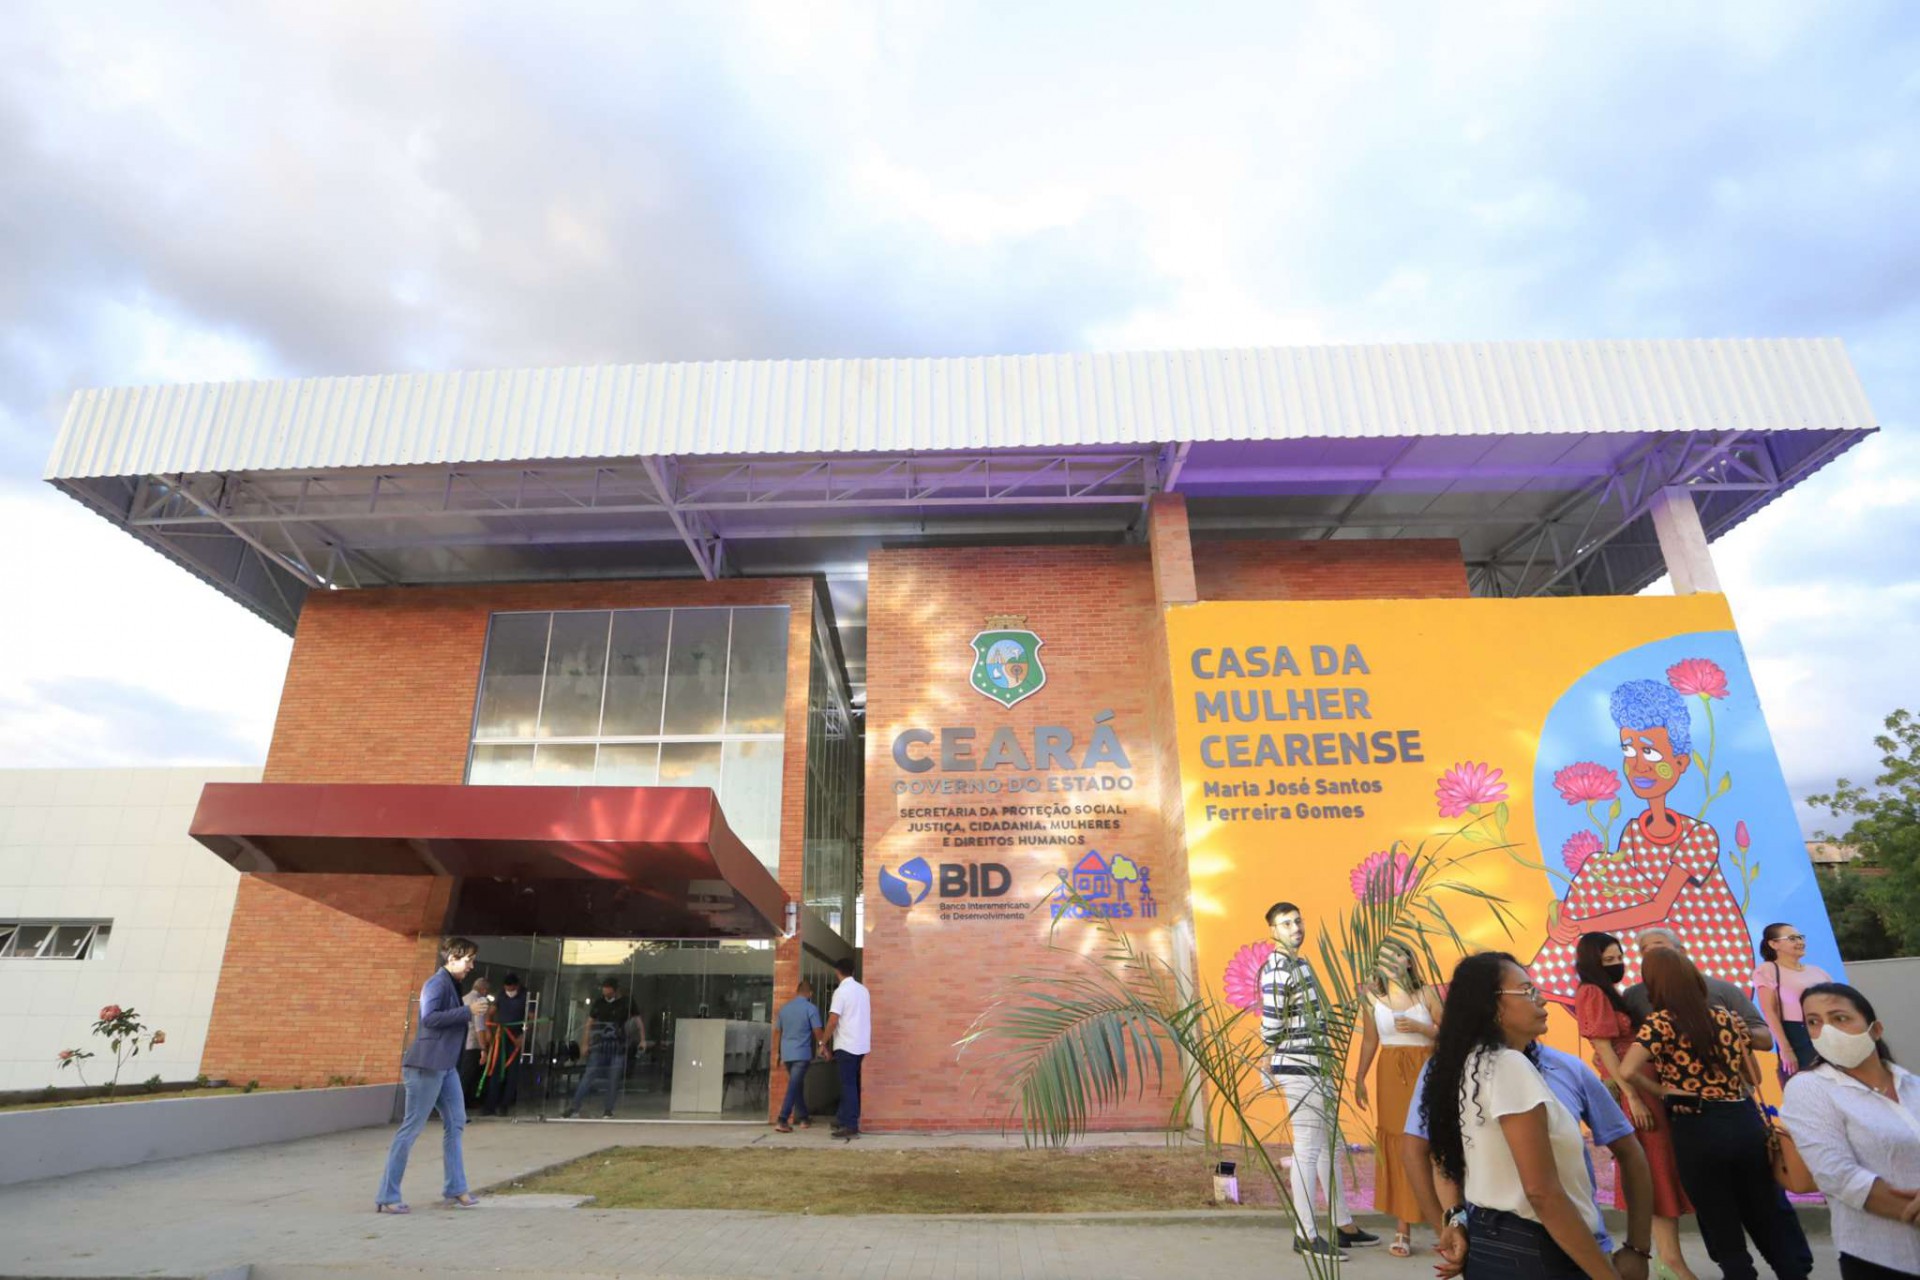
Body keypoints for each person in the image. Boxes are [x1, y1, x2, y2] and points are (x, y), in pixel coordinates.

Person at [1530, 680, 1752, 1004]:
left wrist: (1579, 927)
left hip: (1699, 946)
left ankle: (1543, 979)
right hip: (1648, 941)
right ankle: (1549, 980)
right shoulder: (1635, 830)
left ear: (1680, 763)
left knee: (1598, 868)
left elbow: (1659, 907)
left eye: (1650, 751)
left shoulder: (1699, 835)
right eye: (1629, 750)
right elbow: (1615, 894)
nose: (1638, 764)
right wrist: (1562, 919)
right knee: (1599, 869)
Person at [1415, 951, 1633, 1280]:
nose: (1541, 1000)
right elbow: (1541, 1193)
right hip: (1535, 1250)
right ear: (1493, 1005)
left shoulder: (1473, 1064)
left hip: (1493, 1244)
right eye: (1527, 991)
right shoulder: (1508, 1065)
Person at [1616, 949, 1812, 1280]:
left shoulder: (1660, 1022)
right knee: (1766, 1214)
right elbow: (1750, 1072)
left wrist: (1665, 1091)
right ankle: (1792, 1272)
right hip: (1741, 1119)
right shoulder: (1726, 1017)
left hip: (1696, 1126)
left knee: (1721, 1223)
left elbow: (1628, 1069)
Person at [1574, 932, 1698, 1280]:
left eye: (1619, 957)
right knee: (1654, 1170)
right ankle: (1668, 1260)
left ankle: (1667, 1259)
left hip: (1646, 1083)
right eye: (1608, 960)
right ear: (1592, 961)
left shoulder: (1613, 992)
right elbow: (1604, 1048)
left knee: (1661, 1168)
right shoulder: (1591, 992)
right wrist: (1632, 1097)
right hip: (1636, 1088)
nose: (1617, 964)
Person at [1258, 901, 1378, 1259]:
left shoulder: (1301, 963)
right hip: (1299, 1066)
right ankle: (1306, 1234)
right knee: (1308, 1149)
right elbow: (1271, 1025)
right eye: (1285, 923)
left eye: (1298, 921)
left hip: (1316, 1063)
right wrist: (1271, 1053)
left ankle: (1342, 1225)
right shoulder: (1277, 968)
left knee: (1331, 1145)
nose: (1295, 928)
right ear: (1272, 931)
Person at [1780, 983, 1920, 1279]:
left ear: (1875, 1029)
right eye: (1814, 1022)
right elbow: (1836, 1174)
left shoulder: (1912, 1086)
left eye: (1839, 1018)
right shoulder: (1809, 1088)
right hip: (1882, 1259)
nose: (1827, 1031)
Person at [376, 937, 482, 1213]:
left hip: (445, 1066)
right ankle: (388, 1195)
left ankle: (456, 1188)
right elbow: (429, 1018)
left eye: (472, 961)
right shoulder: (436, 983)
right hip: (426, 1065)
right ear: (452, 958)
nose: (471, 966)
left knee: (456, 1122)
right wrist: (467, 1011)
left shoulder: (451, 984)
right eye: (468, 960)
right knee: (412, 1127)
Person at [1352, 938, 1442, 1257]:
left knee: (1431, 1144)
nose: (1391, 962)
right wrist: (1359, 1077)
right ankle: (1403, 1228)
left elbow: (1449, 1034)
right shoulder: (1371, 998)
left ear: (1409, 961)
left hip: (1427, 1069)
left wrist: (1421, 1027)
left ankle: (1444, 1228)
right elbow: (1369, 1041)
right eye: (1384, 958)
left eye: (1397, 956)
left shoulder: (1426, 993)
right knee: (1400, 1145)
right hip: (1390, 1073)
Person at [1622, 927, 1773, 1051]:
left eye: (1659, 947)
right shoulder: (1633, 996)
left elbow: (1765, 1040)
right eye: (1645, 951)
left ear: (1681, 951)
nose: (1653, 954)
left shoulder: (1724, 989)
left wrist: (1741, 1032)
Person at [1753, 923, 1832, 1079]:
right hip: (1798, 1036)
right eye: (1792, 938)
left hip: (1828, 1034)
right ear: (1773, 944)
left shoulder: (1818, 971)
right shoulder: (1768, 970)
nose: (1800, 942)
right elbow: (1769, 1011)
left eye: (1801, 937)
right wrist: (1785, 1049)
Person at [563, 977, 631, 1119]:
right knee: (589, 1075)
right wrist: (585, 1043)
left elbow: (633, 1023)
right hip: (599, 1045)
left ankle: (608, 1109)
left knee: (613, 1078)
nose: (605, 992)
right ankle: (574, 1106)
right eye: (604, 989)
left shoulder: (624, 1004)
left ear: (614, 990)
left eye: (608, 990)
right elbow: (589, 1023)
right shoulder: (599, 1003)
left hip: (617, 1046)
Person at [821, 955, 868, 1139]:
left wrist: (823, 1042)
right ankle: (843, 1117)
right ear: (853, 971)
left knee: (848, 1085)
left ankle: (851, 1125)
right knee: (851, 1082)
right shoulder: (863, 990)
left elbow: (833, 1020)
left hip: (846, 1044)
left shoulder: (841, 992)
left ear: (837, 972)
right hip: (861, 1044)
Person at [773, 978, 823, 1133]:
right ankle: (782, 1119)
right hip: (802, 1053)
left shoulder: (784, 1009)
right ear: (810, 994)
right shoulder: (811, 1008)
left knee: (796, 1085)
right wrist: (822, 1046)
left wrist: (777, 1053)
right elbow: (817, 1030)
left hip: (787, 1054)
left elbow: (777, 1032)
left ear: (797, 992)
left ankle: (804, 1118)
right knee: (794, 1085)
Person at [480, 973, 528, 1117]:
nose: (509, 991)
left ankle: (505, 1105)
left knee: (512, 1073)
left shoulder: (525, 996)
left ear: (517, 986)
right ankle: (490, 1104)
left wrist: (523, 1035)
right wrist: (488, 1031)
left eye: (511, 989)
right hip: (501, 1036)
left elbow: (530, 1018)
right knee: (495, 1069)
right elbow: (490, 1014)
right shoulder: (501, 995)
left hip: (515, 1037)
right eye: (507, 989)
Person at [459, 976, 491, 1103]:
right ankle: (464, 1103)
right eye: (486, 991)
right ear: (483, 989)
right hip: (473, 1044)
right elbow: (479, 1027)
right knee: (469, 1076)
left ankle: (460, 1102)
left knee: (461, 1074)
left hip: (461, 1042)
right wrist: (483, 1049)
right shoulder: (479, 1001)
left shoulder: (463, 999)